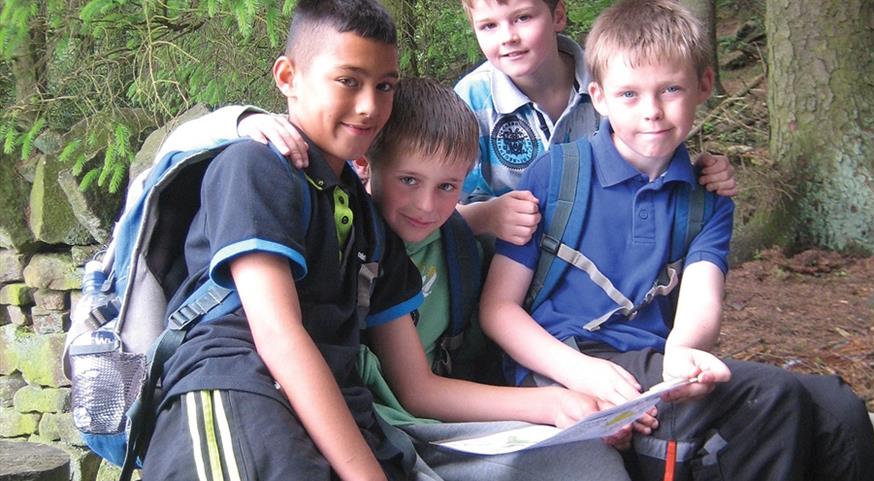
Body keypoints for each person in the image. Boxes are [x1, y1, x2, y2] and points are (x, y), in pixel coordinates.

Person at [157, 77, 636, 481]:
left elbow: (424, 382)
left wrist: (557, 404)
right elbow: (406, 386)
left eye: (448, 186)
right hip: (338, 418)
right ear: (366, 164)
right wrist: (242, 120)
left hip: (408, 424)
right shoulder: (345, 230)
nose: (427, 205)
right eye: (409, 180)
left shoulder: (446, 246)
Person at [479, 1, 874, 480]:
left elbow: (701, 298)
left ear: (703, 86)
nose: (651, 112)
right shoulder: (558, 173)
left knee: (840, 408)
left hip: (656, 365)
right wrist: (580, 372)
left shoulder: (707, 199)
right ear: (599, 97)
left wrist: (685, 352)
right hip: (567, 361)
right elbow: (498, 309)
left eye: (670, 89)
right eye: (629, 94)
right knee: (772, 398)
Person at [141, 2, 431, 480]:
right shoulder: (254, 166)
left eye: (385, 86)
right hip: (236, 391)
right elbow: (277, 334)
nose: (370, 106)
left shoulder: (365, 215)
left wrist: (558, 404)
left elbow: (416, 385)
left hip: (328, 408)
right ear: (287, 76)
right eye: (348, 80)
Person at [453, 0, 738, 245]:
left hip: (597, 261)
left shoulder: (614, 81)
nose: (508, 37)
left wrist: (697, 172)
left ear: (558, 15)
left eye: (523, 17)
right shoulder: (470, 100)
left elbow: (651, 150)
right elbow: (441, 204)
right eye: (489, 26)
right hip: (502, 268)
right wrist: (487, 216)